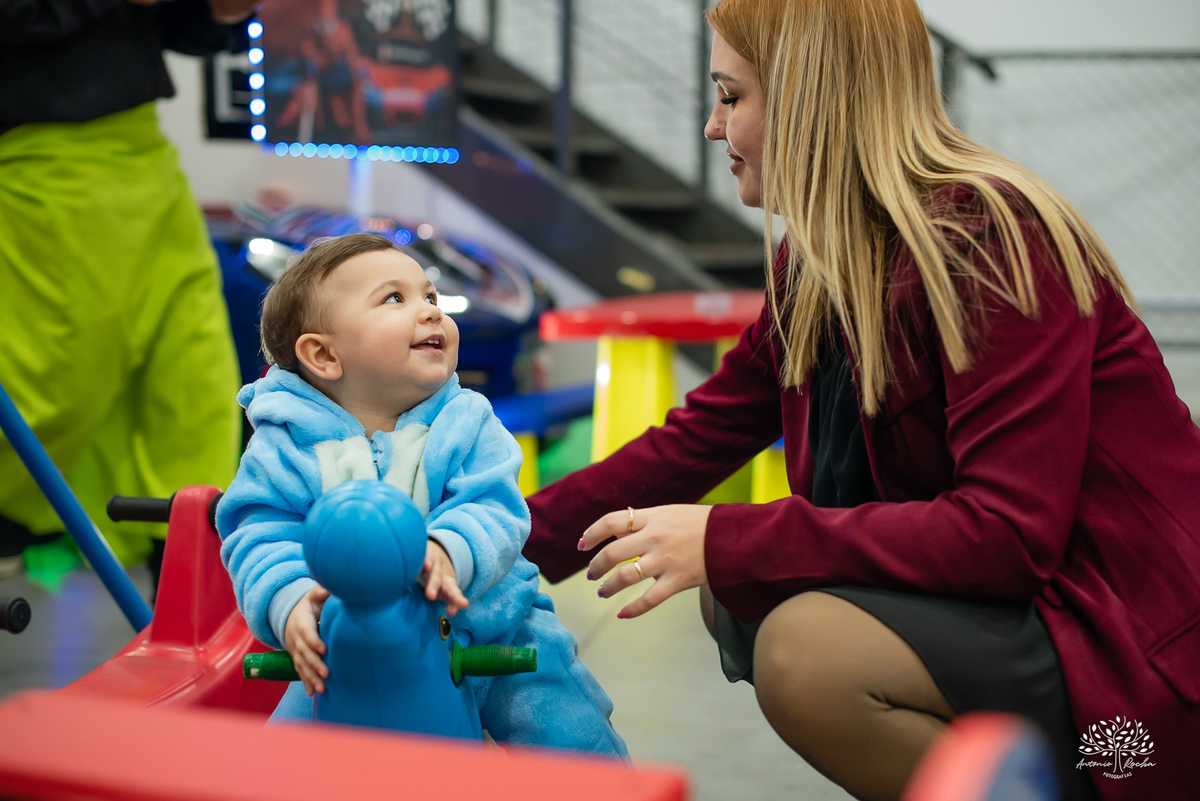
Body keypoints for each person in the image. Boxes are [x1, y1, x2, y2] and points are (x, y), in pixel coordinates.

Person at [522, 1, 1200, 800]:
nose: (713, 127)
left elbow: (1010, 533)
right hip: (1032, 620)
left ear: (812, 99)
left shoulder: (987, 238)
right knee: (736, 597)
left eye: (731, 97)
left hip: (1127, 658)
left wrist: (730, 536)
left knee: (806, 651)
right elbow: (690, 441)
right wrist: (477, 549)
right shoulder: (816, 264)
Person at [215, 234, 627, 757]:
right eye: (395, 298)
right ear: (322, 354)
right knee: (279, 762)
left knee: (572, 737)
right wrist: (290, 601)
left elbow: (495, 507)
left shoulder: (466, 420)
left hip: (494, 627)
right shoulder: (285, 444)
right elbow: (260, 534)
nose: (431, 312)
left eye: (430, 297)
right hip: (347, 646)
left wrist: (447, 550)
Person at [0, 0, 253, 583]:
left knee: (197, 395)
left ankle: (192, 606)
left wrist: (218, 13)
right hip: (44, 160)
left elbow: (173, 29)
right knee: (54, 387)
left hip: (146, 151)